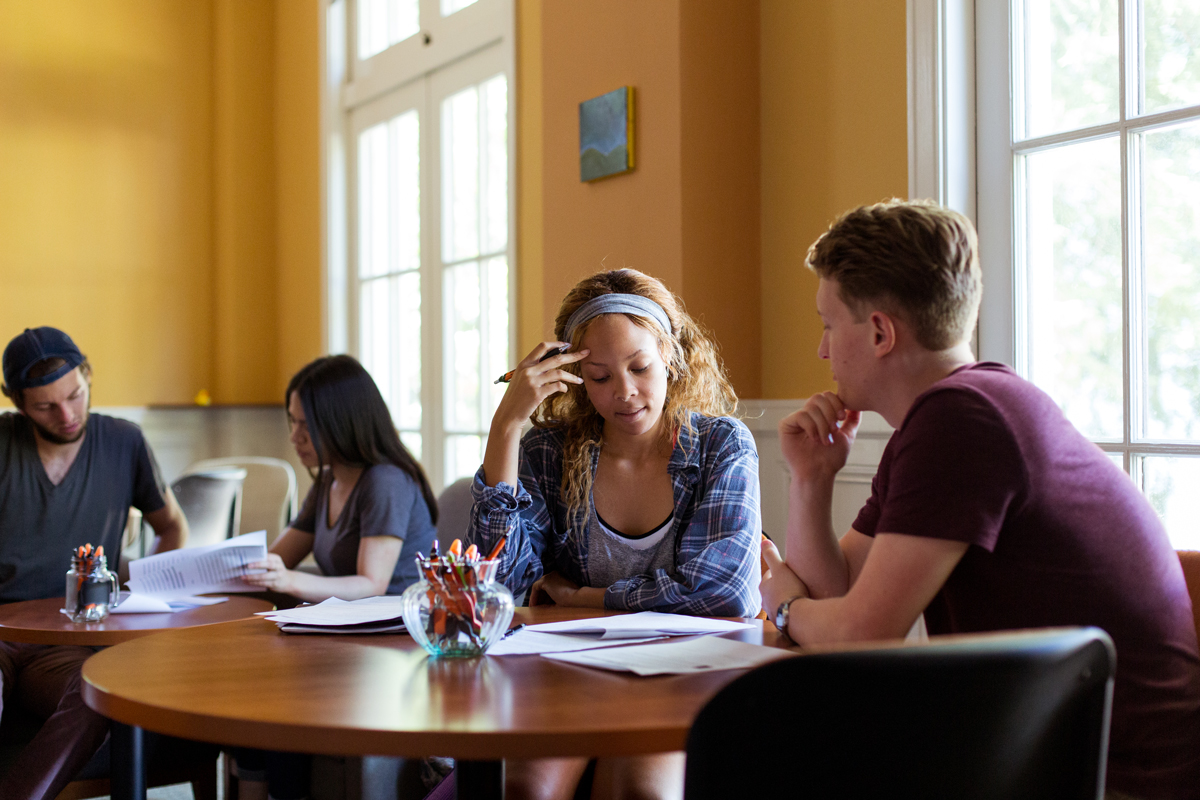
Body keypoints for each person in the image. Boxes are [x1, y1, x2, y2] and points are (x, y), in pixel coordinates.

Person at [758, 199, 1200, 800]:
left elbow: (859, 636)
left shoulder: (962, 419)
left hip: (1110, 780)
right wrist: (812, 481)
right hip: (1039, 752)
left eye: (828, 325)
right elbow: (837, 600)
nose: (822, 350)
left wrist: (786, 609)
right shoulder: (957, 412)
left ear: (881, 331)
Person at [468, 268, 761, 800]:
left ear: (671, 354)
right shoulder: (547, 452)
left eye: (640, 367)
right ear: (573, 378)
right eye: (599, 377)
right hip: (569, 675)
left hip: (681, 674)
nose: (625, 393)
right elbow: (499, 588)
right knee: (527, 789)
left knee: (642, 791)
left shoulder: (721, 445)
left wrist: (587, 598)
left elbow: (724, 595)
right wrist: (506, 428)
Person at [236, 354, 439, 800]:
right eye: (292, 422)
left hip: (394, 640)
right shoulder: (328, 480)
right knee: (249, 682)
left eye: (306, 425)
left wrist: (287, 581)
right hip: (345, 633)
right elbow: (278, 556)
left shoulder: (386, 480)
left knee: (274, 691)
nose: (295, 437)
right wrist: (236, 568)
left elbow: (371, 582)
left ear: (342, 421)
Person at [0, 326, 188, 800]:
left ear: (87, 376)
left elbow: (172, 527)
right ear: (19, 404)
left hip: (69, 640)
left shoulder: (124, 442)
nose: (66, 415)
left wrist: (137, 593)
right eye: (45, 406)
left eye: (75, 395)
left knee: (97, 693)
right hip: (0, 631)